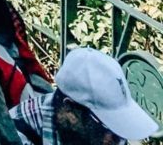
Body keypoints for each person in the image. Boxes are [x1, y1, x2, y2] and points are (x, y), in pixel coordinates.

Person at [13, 48, 157, 145]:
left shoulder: (107, 137)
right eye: (106, 124)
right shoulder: (14, 134)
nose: (116, 139)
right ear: (70, 111)